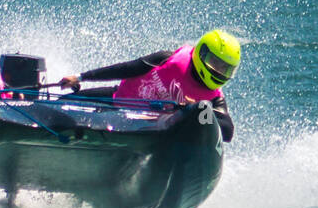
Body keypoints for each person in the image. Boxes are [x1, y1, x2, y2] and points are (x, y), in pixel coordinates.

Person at [59, 30, 240, 141]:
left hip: (149, 135)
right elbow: (126, 69)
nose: (219, 72)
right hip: (116, 102)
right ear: (202, 53)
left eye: (226, 69)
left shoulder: (214, 98)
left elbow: (227, 131)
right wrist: (80, 77)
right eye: (216, 64)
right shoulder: (167, 59)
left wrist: (197, 110)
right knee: (60, 103)